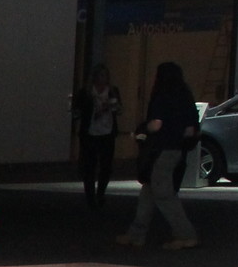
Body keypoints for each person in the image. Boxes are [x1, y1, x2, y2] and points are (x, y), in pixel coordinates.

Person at [121, 60, 200, 250]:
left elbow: (156, 124)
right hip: (177, 150)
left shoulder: (162, 96)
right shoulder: (186, 96)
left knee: (163, 194)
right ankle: (136, 234)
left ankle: (185, 234)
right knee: (149, 191)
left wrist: (143, 130)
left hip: (161, 150)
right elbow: (190, 130)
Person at [75, 64, 121, 210]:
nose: (104, 79)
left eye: (105, 75)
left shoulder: (113, 92)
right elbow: (77, 111)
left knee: (106, 166)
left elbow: (118, 110)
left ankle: (100, 193)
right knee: (89, 166)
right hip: (90, 133)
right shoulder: (86, 93)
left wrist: (112, 107)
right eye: (101, 75)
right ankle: (90, 198)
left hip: (107, 132)